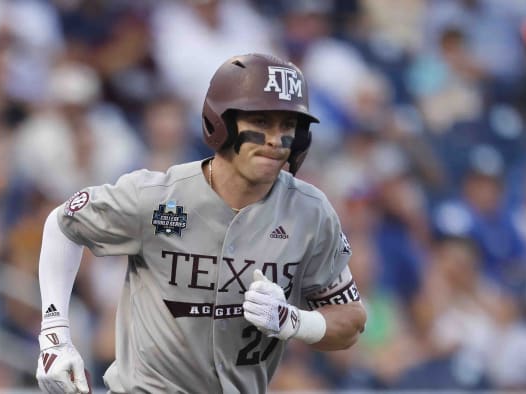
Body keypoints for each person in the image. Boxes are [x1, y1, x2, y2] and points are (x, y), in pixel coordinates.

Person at [34, 53, 367, 393]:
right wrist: (55, 335)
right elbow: (63, 224)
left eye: (287, 126)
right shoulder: (158, 197)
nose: (275, 139)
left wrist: (294, 321)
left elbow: (351, 323)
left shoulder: (310, 211)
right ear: (222, 123)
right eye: (262, 122)